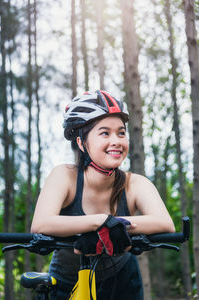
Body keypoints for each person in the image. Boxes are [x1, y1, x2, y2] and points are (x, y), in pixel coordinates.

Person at [31, 90, 175, 300]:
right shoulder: (65, 176)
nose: (116, 140)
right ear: (81, 143)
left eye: (121, 132)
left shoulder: (135, 183)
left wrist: (112, 224)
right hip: (66, 283)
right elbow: (41, 223)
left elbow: (165, 223)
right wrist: (102, 222)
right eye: (105, 133)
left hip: (122, 282)